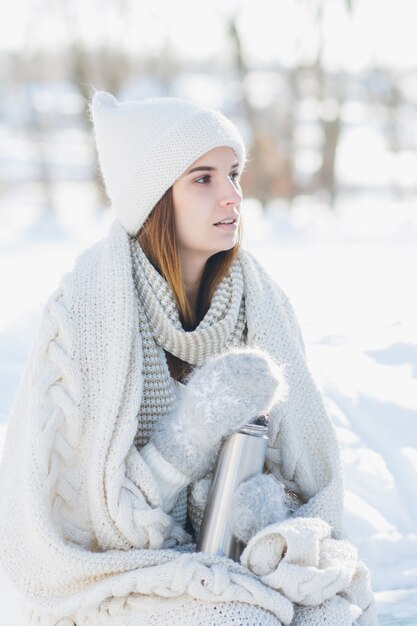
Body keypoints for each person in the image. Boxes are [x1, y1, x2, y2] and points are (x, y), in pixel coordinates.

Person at [0, 91, 377, 626]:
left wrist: (265, 517)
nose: (232, 197)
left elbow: (315, 479)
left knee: (333, 611)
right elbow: (87, 523)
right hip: (106, 577)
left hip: (233, 560)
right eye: (203, 178)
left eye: (235, 173)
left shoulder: (259, 302)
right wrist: (189, 436)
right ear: (154, 198)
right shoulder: (85, 311)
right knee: (242, 619)